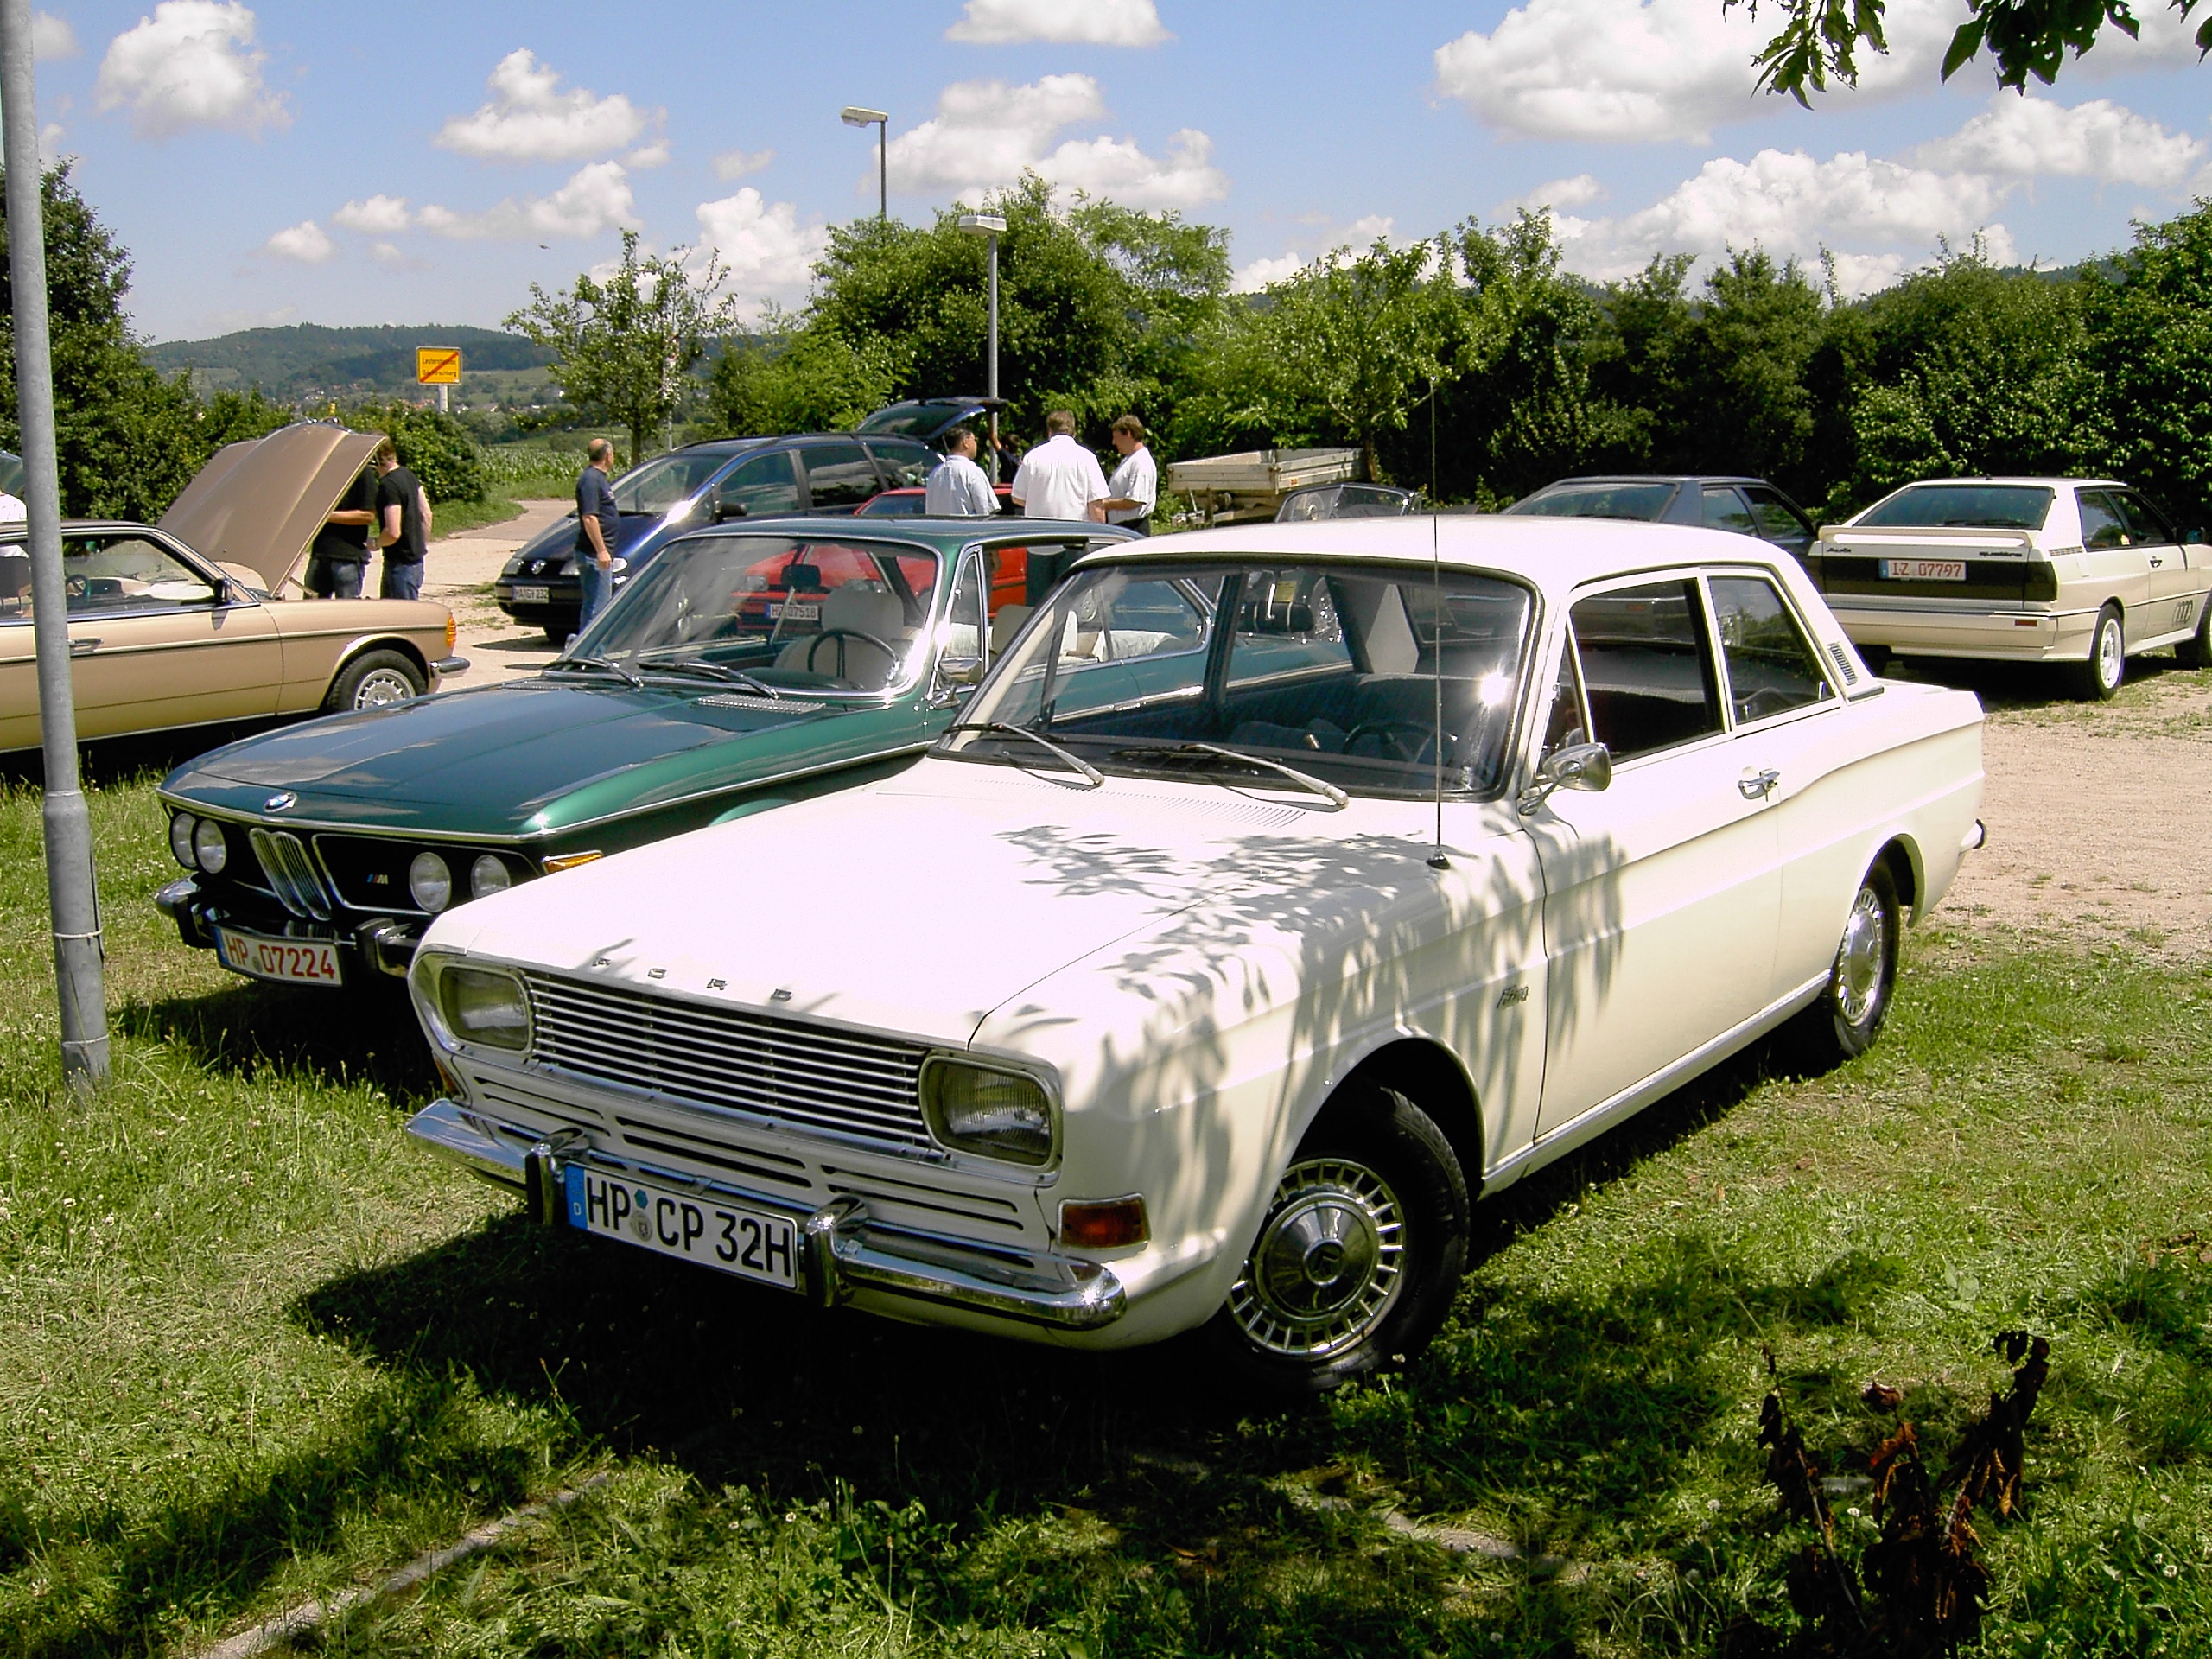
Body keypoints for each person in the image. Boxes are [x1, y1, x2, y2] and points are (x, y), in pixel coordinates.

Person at [1009, 410, 1107, 523]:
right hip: (1075, 530)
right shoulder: (1087, 458)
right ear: (1074, 432)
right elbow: (1096, 505)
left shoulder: (1032, 457)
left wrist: (1039, 503)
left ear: (1049, 432)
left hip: (1039, 530)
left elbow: (1017, 497)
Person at [373, 437, 432, 601]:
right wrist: (420, 546)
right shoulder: (409, 475)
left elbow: (393, 533)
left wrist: (376, 543)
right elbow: (426, 514)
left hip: (399, 563)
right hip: (415, 560)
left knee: (398, 612)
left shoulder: (389, 485)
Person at [306, 464, 377, 597]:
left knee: (347, 608)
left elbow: (368, 515)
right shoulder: (321, 469)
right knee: (311, 608)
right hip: (320, 553)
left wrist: (326, 516)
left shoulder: (362, 471)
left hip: (348, 556)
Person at [574, 437, 619, 632]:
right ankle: (590, 649)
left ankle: (585, 646)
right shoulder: (591, 480)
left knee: (596, 607)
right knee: (597, 610)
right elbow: (589, 518)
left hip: (599, 554)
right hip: (594, 555)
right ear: (608, 456)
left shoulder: (598, 479)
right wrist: (601, 550)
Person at [1099, 414, 1157, 536]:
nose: (1114, 442)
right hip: (1122, 527)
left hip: (1133, 528)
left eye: (1116, 437)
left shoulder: (1141, 461)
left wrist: (1106, 505)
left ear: (1129, 434)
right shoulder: (1129, 460)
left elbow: (1135, 501)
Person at [924, 426, 995, 516]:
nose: (976, 444)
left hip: (938, 525)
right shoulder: (973, 472)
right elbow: (985, 511)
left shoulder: (935, 474)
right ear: (965, 442)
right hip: (966, 525)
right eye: (974, 440)